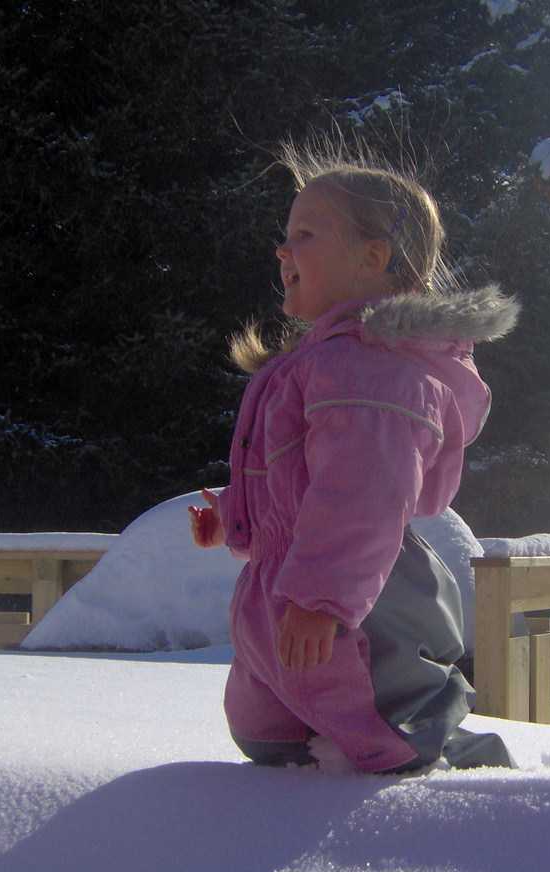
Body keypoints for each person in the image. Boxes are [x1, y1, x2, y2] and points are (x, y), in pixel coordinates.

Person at [190, 144, 519, 773]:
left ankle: (483, 805)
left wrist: (322, 599)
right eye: (285, 237)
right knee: (272, 735)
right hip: (292, 588)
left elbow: (366, 493)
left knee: (398, 727)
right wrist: (239, 514)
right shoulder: (320, 363)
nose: (283, 251)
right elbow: (301, 478)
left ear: (373, 258)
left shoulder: (372, 372)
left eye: (305, 235)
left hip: (357, 594)